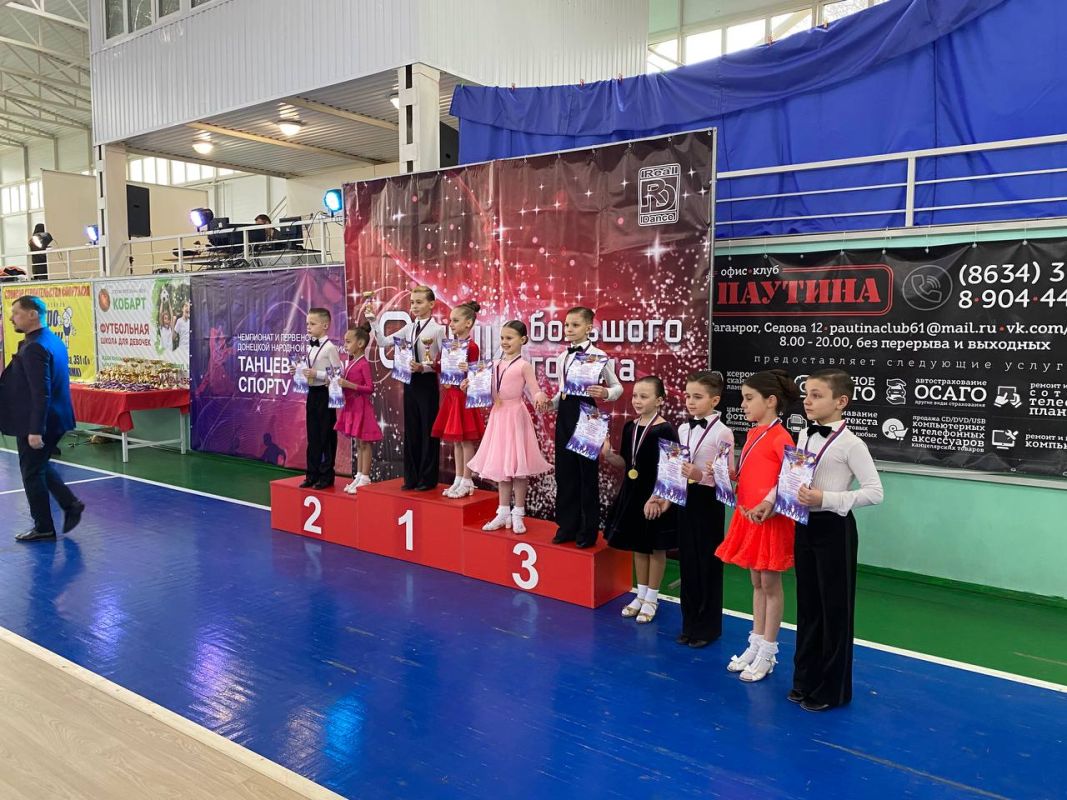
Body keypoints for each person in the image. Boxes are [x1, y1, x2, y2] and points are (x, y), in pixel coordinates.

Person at [790, 368, 883, 712]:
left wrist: (827, 499)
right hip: (804, 525)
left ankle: (832, 690)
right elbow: (797, 476)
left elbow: (875, 492)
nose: (808, 401)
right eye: (806, 394)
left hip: (834, 528)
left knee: (835, 611)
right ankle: (804, 680)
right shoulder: (804, 434)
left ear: (841, 402)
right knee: (808, 607)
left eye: (817, 395)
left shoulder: (851, 444)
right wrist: (779, 498)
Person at [715, 369, 799, 683]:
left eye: (749, 398)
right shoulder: (753, 433)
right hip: (748, 514)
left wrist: (768, 502)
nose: (743, 405)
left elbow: (789, 479)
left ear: (771, 401)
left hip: (770, 519)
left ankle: (769, 652)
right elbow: (750, 471)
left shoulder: (782, 437)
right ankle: (755, 643)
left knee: (770, 584)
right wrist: (727, 475)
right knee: (757, 583)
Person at [537, 306, 622, 548]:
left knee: (587, 475)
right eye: (566, 325)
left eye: (575, 325)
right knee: (565, 473)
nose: (569, 329)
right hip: (565, 414)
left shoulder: (599, 355)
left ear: (588, 327)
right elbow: (564, 391)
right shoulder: (562, 356)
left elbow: (617, 387)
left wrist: (605, 393)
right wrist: (551, 405)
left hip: (588, 415)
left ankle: (588, 531)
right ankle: (567, 527)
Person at [0, 295, 83, 541]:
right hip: (54, 417)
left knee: (31, 473)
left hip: (38, 421)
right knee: (38, 465)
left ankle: (44, 526)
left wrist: (35, 429)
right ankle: (70, 504)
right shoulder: (51, 339)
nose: (11, 318)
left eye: (16, 313)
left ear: (32, 314)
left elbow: (41, 392)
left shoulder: (35, 347)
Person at [601, 376, 677, 624]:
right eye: (635, 395)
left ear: (659, 400)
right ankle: (641, 594)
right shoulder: (630, 427)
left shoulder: (666, 430)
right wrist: (609, 456)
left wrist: (659, 496)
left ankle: (652, 598)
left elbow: (672, 469)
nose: (637, 400)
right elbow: (627, 463)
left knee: (655, 547)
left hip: (655, 496)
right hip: (633, 494)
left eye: (644, 396)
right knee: (638, 546)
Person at [466, 321, 550, 534]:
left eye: (509, 338)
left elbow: (535, 388)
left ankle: (518, 514)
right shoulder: (493, 364)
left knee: (519, 468)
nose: (504, 342)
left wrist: (540, 395)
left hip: (516, 416)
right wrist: (470, 384)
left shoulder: (524, 365)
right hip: (499, 417)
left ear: (523, 340)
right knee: (503, 467)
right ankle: (503, 512)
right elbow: (484, 387)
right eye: (502, 338)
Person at [673, 370, 734, 648]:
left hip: (708, 501)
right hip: (685, 497)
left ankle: (707, 628)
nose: (690, 401)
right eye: (688, 396)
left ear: (715, 400)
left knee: (707, 564)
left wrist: (701, 476)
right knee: (687, 562)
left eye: (697, 397)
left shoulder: (723, 432)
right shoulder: (683, 429)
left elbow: (726, 478)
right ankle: (689, 624)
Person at [369, 286, 445, 490]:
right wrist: (373, 321)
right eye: (412, 302)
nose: (415, 306)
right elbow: (383, 342)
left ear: (431, 304)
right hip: (410, 383)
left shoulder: (438, 330)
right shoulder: (409, 328)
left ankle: (427, 479)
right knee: (411, 430)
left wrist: (424, 367)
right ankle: (411, 478)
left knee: (428, 431)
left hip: (427, 383)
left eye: (419, 302)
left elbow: (445, 361)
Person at [432, 300, 485, 498]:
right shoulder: (450, 346)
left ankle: (468, 480)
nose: (451, 324)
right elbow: (445, 369)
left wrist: (469, 370)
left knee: (466, 441)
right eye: (450, 320)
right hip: (452, 396)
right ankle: (458, 478)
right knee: (456, 441)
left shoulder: (472, 347)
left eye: (455, 320)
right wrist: (436, 365)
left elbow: (477, 375)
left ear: (468, 323)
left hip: (464, 398)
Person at [291, 308, 343, 489]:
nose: (308, 327)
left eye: (312, 324)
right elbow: (309, 370)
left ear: (325, 325)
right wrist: (298, 371)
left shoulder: (330, 348)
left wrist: (317, 374)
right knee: (313, 435)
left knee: (326, 435)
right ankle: (311, 473)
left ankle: (327, 475)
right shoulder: (309, 346)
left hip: (325, 394)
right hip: (312, 393)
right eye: (307, 324)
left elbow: (338, 374)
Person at [335, 324, 382, 495]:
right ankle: (360, 475)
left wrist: (349, 385)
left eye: (348, 342)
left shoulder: (363, 364)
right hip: (352, 406)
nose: (345, 345)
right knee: (359, 443)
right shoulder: (350, 362)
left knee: (365, 442)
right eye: (345, 341)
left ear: (360, 343)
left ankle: (365, 477)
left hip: (362, 407)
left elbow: (370, 388)